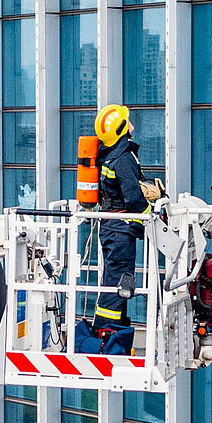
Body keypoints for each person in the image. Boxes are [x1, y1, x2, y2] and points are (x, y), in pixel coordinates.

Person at [83, 105, 162, 352]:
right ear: (120, 128)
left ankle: (112, 329)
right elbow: (133, 197)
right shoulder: (124, 157)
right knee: (117, 280)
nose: (132, 125)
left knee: (116, 280)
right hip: (119, 230)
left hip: (111, 226)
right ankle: (104, 335)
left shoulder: (108, 155)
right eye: (128, 121)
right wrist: (150, 218)